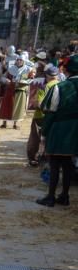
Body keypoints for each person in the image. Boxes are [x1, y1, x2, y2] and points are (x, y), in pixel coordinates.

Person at [36, 55, 78, 207]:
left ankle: (51, 197)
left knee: (55, 163)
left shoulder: (59, 87)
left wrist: (44, 133)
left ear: (66, 70)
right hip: (76, 130)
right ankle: (65, 196)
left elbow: (50, 112)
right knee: (68, 164)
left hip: (61, 129)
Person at [28, 64, 59, 166]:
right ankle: (47, 159)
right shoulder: (62, 85)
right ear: (57, 76)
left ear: (47, 76)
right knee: (50, 138)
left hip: (40, 116)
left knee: (35, 138)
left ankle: (34, 159)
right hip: (56, 117)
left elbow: (38, 103)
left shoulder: (44, 87)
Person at [0, 53, 33, 130]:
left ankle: (15, 123)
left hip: (20, 90)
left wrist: (23, 81)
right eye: (17, 60)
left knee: (18, 107)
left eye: (20, 60)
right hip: (10, 89)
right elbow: (2, 77)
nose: (18, 61)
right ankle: (4, 123)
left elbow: (31, 79)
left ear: (24, 61)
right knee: (6, 106)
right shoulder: (11, 68)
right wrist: (6, 80)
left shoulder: (28, 70)